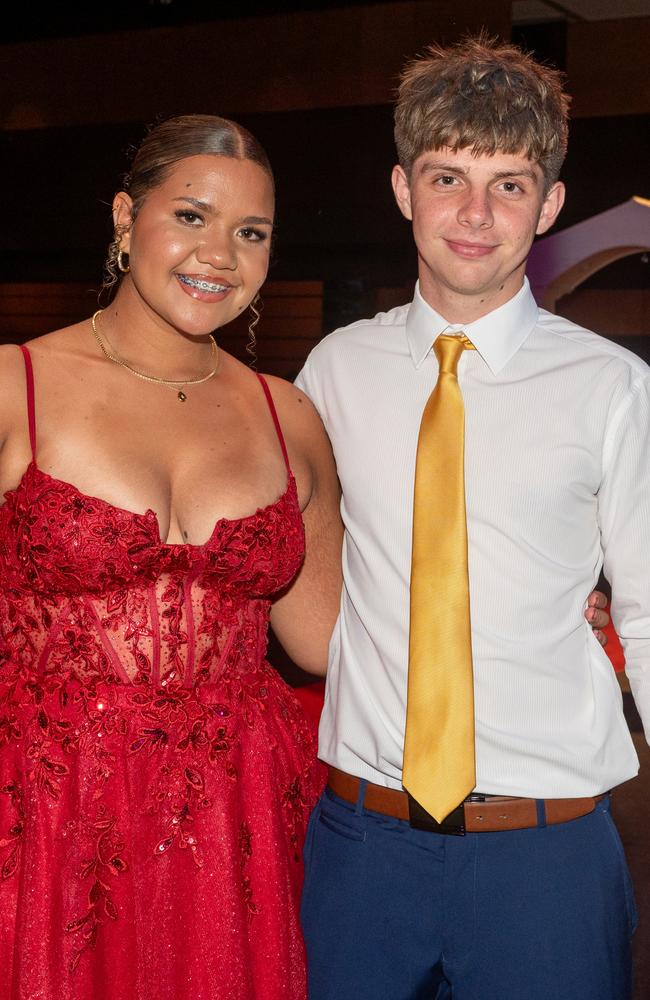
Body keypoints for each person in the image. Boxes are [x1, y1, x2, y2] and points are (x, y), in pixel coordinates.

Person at [297, 37, 650, 1000]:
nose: (476, 214)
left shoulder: (614, 387)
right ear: (404, 189)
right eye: (449, 177)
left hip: (549, 856)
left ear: (550, 205)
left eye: (510, 183)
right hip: (360, 847)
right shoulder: (332, 372)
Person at [0, 115, 343, 1000]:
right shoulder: (16, 387)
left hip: (234, 828)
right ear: (124, 218)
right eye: (191, 216)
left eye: (251, 232)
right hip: (45, 822)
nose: (219, 255)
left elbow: (325, 640)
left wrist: (528, 596)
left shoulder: (287, 415)